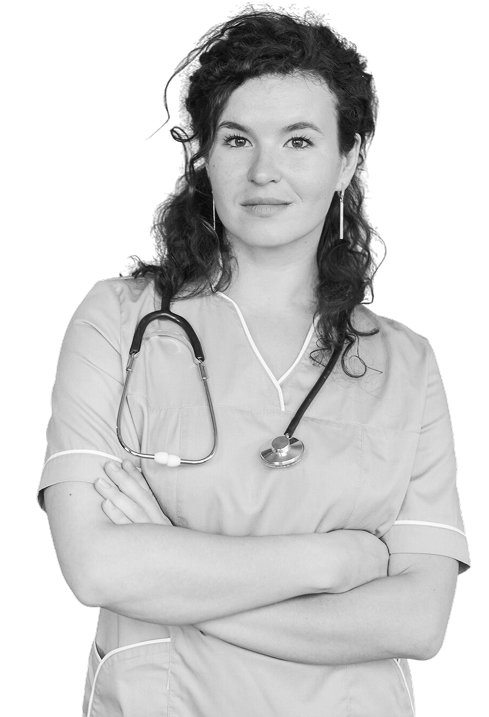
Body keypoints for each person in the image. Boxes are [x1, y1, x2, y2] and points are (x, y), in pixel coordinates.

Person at [38, 7, 470, 716]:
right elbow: (96, 568)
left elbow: (417, 621)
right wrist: (332, 562)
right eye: (237, 139)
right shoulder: (116, 319)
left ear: (347, 160)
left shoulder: (406, 362)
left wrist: (171, 565)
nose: (264, 171)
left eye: (298, 140)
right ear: (205, 158)